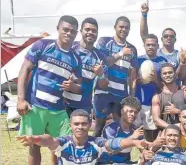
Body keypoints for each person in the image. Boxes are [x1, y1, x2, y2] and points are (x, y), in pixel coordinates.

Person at [17, 15, 82, 165]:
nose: (68, 33)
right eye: (65, 29)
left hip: (58, 109)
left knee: (62, 145)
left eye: (72, 31)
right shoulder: (42, 45)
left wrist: (73, 87)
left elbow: (79, 87)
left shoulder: (75, 59)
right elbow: (24, 70)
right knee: (34, 146)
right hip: (35, 106)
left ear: (76, 33)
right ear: (58, 28)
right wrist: (20, 99)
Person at [16, 109, 149, 165]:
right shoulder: (64, 142)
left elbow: (114, 143)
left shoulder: (96, 143)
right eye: (76, 124)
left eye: (84, 123)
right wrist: (35, 139)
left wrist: (133, 142)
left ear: (90, 124)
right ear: (71, 125)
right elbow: (49, 139)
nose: (80, 127)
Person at [93, 16, 138, 137]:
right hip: (103, 92)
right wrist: (121, 54)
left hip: (121, 94)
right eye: (121, 27)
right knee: (99, 126)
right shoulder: (104, 42)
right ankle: (95, 154)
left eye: (127, 27)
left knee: (120, 125)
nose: (124, 29)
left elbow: (133, 76)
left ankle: (118, 154)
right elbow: (104, 62)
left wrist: (132, 97)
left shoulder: (132, 49)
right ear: (115, 27)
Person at [65, 17, 109, 117]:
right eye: (87, 29)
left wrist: (101, 75)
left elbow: (104, 85)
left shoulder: (100, 57)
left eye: (94, 31)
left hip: (83, 106)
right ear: (81, 31)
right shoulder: (69, 48)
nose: (90, 32)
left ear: (97, 34)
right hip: (63, 103)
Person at [140, 1, 186, 83]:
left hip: (173, 91)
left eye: (171, 36)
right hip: (157, 91)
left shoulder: (179, 55)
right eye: (166, 36)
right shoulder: (156, 52)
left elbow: (181, 77)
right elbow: (144, 35)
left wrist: (182, 62)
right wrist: (144, 15)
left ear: (175, 39)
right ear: (161, 39)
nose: (168, 38)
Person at [134, 34, 168, 142]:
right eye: (148, 45)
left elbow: (165, 85)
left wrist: (156, 81)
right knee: (137, 132)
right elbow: (131, 80)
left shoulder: (162, 61)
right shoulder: (137, 60)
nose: (150, 47)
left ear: (158, 46)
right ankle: (142, 156)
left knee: (152, 132)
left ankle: (152, 154)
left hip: (154, 102)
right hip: (139, 101)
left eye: (153, 45)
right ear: (144, 45)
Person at [98, 96, 143, 164]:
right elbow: (110, 152)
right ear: (122, 111)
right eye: (130, 111)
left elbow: (143, 147)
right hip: (108, 162)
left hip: (126, 163)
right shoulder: (110, 129)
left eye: (135, 112)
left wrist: (154, 145)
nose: (133, 114)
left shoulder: (135, 129)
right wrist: (132, 137)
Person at [152, 63, 186, 130]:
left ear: (175, 74)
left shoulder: (185, 92)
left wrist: (177, 111)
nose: (167, 75)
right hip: (166, 134)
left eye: (170, 72)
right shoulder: (157, 96)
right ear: (161, 76)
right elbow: (156, 120)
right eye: (165, 73)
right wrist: (172, 128)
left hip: (185, 132)